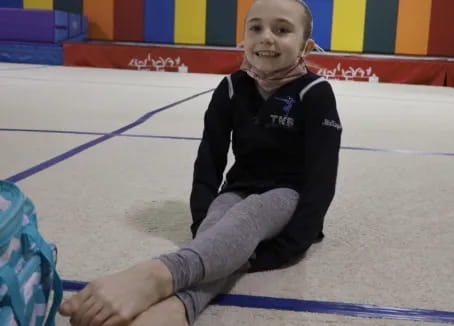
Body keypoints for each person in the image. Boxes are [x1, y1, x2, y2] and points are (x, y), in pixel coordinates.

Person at [58, 0, 342, 325]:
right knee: (219, 221)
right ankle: (181, 307)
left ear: (305, 46)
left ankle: (158, 273)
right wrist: (202, 222)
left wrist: (286, 247)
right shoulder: (232, 87)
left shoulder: (316, 93)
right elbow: (210, 157)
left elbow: (322, 178)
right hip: (239, 186)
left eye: (282, 29)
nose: (266, 37)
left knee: (247, 216)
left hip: (288, 193)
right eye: (256, 28)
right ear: (243, 38)